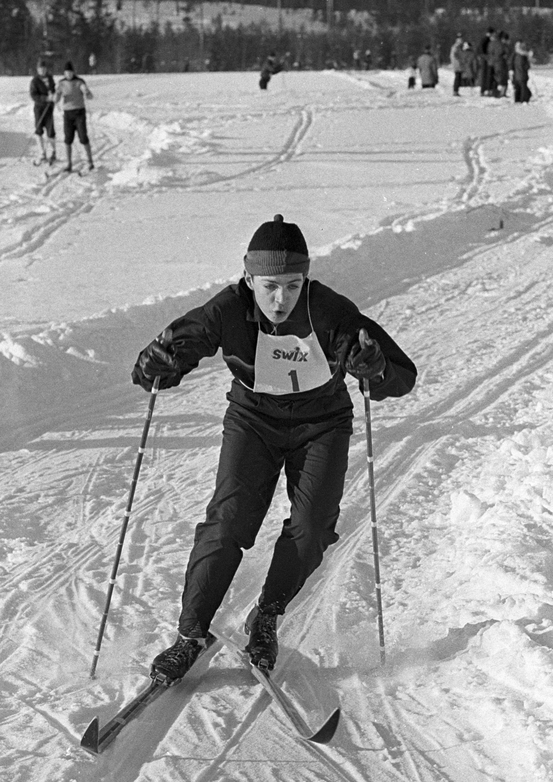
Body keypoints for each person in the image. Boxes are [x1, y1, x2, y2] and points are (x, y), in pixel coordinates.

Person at [131, 214, 417, 681]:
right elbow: (182, 342)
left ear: (306, 278)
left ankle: (266, 614)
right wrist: (159, 364)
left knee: (312, 525)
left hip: (322, 424)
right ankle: (190, 635)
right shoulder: (228, 308)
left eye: (292, 284)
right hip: (253, 422)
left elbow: (401, 377)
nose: (280, 298)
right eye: (269, 286)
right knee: (228, 520)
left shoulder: (332, 312)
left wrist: (374, 367)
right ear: (248, 279)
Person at [54, 61, 93, 172]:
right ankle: (69, 163)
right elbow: (56, 100)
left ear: (73, 72)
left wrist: (87, 92)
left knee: (83, 137)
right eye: (67, 72)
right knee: (68, 139)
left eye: (70, 72)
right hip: (68, 114)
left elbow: (89, 96)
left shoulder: (79, 81)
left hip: (79, 112)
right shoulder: (61, 83)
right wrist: (56, 95)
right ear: (64, 73)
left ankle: (90, 161)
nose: (69, 74)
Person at [29, 58, 57, 165]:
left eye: (44, 68)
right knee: (39, 129)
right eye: (40, 69)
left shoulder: (50, 78)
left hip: (49, 108)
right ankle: (42, 153)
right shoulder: (35, 81)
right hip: (39, 108)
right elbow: (33, 95)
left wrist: (54, 95)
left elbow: (54, 90)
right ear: (37, 69)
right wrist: (45, 98)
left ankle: (53, 152)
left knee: (50, 130)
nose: (43, 70)